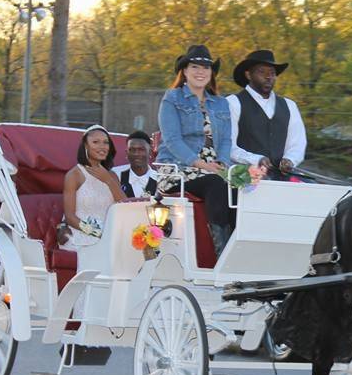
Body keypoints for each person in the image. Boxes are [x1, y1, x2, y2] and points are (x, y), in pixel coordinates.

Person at [157, 44, 236, 257]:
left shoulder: (220, 103)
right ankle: (223, 253)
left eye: (206, 67)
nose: (201, 72)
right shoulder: (172, 98)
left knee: (242, 189)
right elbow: (172, 140)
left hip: (213, 168)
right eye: (195, 67)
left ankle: (239, 251)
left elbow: (227, 139)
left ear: (212, 73)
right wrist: (202, 165)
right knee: (217, 184)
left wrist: (221, 163)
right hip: (181, 168)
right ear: (184, 71)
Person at [228, 49, 307, 180]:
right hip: (244, 179)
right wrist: (256, 159)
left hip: (282, 180)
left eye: (272, 73)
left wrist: (289, 160)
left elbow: (297, 144)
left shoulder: (289, 106)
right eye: (262, 72)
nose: (268, 76)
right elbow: (229, 146)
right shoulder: (233, 103)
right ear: (248, 74)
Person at [60, 125, 126, 251]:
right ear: (86, 145)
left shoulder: (112, 175)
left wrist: (109, 181)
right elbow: (70, 216)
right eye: (95, 142)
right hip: (81, 234)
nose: (102, 147)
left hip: (109, 235)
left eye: (106, 143)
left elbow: (124, 205)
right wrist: (97, 233)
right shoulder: (74, 175)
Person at [112, 130, 158, 198]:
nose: (136, 154)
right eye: (132, 150)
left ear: (150, 152)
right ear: (126, 153)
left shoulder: (159, 179)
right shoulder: (116, 175)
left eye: (141, 149)